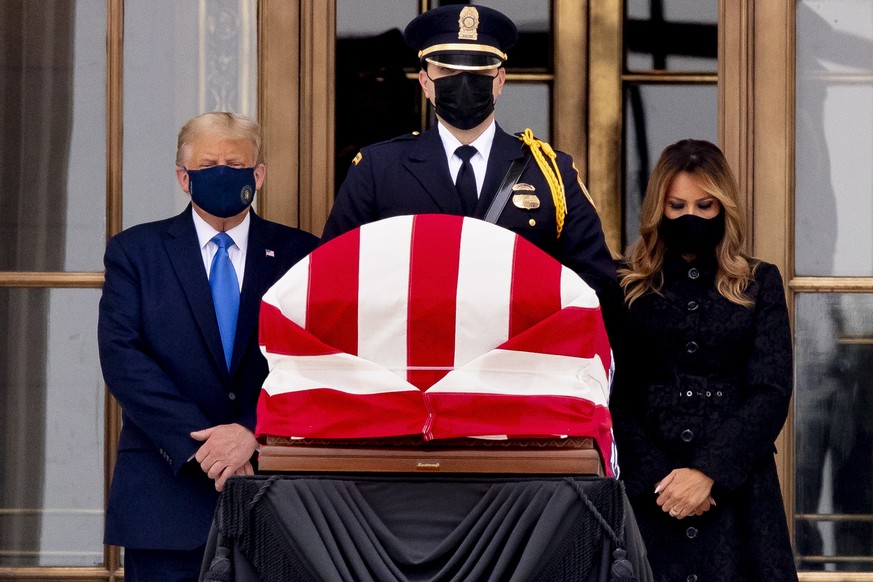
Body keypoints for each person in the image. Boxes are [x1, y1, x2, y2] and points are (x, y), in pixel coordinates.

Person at [97, 112, 318, 581]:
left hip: (273, 492)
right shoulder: (136, 252)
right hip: (165, 494)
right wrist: (204, 444)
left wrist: (250, 432)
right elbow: (123, 360)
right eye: (210, 163)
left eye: (236, 163)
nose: (223, 172)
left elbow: (313, 360)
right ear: (183, 177)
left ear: (258, 174)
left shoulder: (302, 254)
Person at [321, 4, 621, 327]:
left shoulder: (552, 175)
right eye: (448, 71)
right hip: (412, 368)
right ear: (425, 82)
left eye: (478, 70)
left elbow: (598, 286)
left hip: (516, 366)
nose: (464, 81)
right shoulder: (378, 171)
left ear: (500, 79)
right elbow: (330, 280)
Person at [610, 139, 797, 581]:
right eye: (677, 205)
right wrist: (663, 482)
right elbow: (607, 389)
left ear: (723, 208)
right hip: (646, 493)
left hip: (738, 495)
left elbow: (771, 389)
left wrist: (708, 471)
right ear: (659, 209)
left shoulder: (758, 281)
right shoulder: (622, 286)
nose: (690, 216)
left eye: (704, 205)